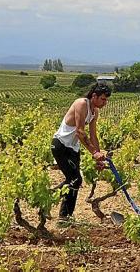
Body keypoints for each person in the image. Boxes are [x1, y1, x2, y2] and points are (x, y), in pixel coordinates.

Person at [51, 83, 111, 223]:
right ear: (94, 96)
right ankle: (64, 218)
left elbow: (93, 135)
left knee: (73, 180)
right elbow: (79, 132)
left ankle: (50, 197)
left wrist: (98, 157)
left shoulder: (94, 112)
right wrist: (93, 152)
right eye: (103, 99)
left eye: (106, 100)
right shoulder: (81, 104)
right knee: (75, 180)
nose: (105, 103)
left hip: (73, 148)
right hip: (61, 145)